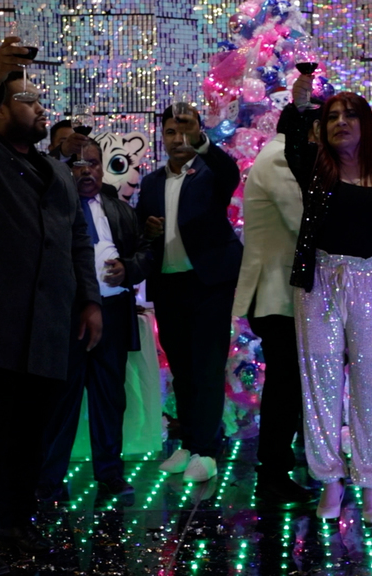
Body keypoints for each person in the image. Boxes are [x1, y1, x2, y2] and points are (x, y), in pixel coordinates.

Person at [0, 37, 103, 575]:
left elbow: (78, 239)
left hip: (47, 327)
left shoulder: (56, 172)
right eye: (27, 100)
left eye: (39, 99)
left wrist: (90, 300)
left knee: (31, 439)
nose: (39, 108)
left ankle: (16, 525)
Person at [284, 75, 372, 524]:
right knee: (321, 385)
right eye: (332, 117)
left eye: (349, 115)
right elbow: (293, 142)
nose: (340, 123)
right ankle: (329, 479)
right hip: (321, 282)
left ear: (366, 123)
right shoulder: (316, 167)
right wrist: (301, 107)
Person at [38, 139, 152, 500]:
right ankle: (49, 480)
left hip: (114, 311)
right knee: (62, 399)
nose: (86, 171)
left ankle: (110, 474)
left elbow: (144, 251)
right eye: (78, 164)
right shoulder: (54, 208)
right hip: (70, 315)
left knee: (109, 398)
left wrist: (128, 269)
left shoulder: (119, 209)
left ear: (103, 168)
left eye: (93, 163)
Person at [136, 103, 242, 483]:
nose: (177, 139)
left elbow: (230, 173)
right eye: (170, 132)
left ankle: (207, 450)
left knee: (207, 367)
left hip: (208, 284)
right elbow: (141, 229)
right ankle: (190, 442)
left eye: (185, 131)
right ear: (161, 138)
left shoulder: (210, 173)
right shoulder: (151, 182)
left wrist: (203, 142)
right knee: (181, 368)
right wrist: (147, 230)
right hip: (169, 285)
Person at [232, 115, 315, 503]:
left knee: (288, 384)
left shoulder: (278, 155)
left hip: (279, 293)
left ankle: (278, 470)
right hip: (274, 294)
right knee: (285, 386)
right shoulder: (280, 159)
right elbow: (303, 223)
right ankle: (273, 474)